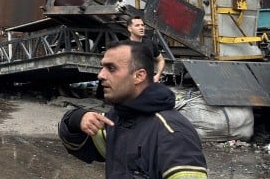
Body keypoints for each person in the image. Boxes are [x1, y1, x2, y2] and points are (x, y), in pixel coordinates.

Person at [59, 41, 208, 178]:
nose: (101, 75)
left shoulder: (172, 134)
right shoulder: (118, 119)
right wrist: (77, 118)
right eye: (102, 67)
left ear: (139, 76)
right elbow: (81, 147)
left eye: (111, 68)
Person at [126, 16, 166, 82]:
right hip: (131, 85)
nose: (141, 27)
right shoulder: (123, 46)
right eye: (137, 25)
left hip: (148, 84)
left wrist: (158, 75)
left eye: (142, 25)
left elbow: (161, 60)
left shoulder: (150, 43)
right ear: (130, 28)